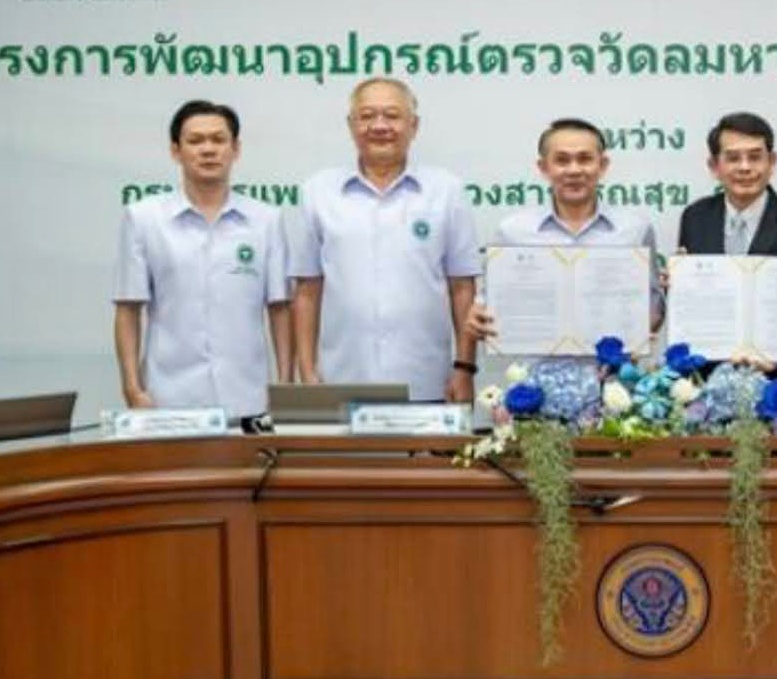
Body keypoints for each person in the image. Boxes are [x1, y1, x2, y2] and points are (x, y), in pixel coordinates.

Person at [291, 78, 481, 403]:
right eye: (367, 116)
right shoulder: (318, 192)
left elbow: (462, 287)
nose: (379, 126)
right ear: (351, 125)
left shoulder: (446, 191)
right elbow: (307, 291)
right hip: (341, 380)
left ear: (414, 125)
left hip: (427, 381)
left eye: (392, 115)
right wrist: (307, 372)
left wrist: (465, 369)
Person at [113, 99, 291, 425]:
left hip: (250, 399)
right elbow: (128, 308)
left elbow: (279, 309)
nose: (208, 150)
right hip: (168, 399)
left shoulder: (266, 220)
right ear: (175, 151)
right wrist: (132, 388)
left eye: (218, 140)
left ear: (235, 149)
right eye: (195, 141)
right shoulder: (144, 218)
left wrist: (284, 386)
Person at [466, 118, 662, 351]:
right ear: (543, 168)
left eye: (585, 159)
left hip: (613, 371)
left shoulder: (635, 230)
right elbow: (486, 304)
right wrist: (478, 318)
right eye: (562, 160)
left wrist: (637, 334)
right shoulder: (511, 232)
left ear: (602, 165)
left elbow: (654, 305)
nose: (574, 170)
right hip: (535, 371)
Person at [678, 111, 777, 260]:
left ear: (772, 162)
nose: (745, 167)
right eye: (733, 158)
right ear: (714, 166)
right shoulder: (695, 218)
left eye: (755, 157)